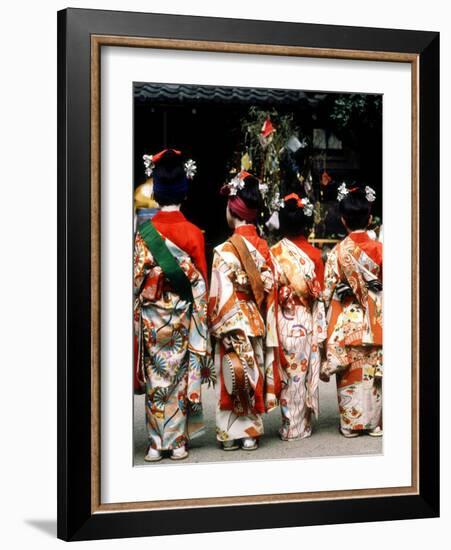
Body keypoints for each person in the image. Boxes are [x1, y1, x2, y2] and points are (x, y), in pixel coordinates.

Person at [134, 148, 213, 462]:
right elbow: (202, 283)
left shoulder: (144, 234)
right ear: (185, 190)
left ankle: (156, 443)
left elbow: (136, 280)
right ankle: (178, 441)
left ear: (155, 191)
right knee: (180, 377)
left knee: (156, 377)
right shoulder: (194, 233)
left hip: (153, 320)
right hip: (182, 318)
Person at [208, 171, 282, 451]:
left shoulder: (224, 250)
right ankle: (250, 434)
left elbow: (217, 294)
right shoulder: (266, 249)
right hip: (255, 320)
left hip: (230, 320)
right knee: (252, 374)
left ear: (232, 210)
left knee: (230, 375)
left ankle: (229, 436)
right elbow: (271, 287)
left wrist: (219, 325)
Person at [322, 184, 383, 438]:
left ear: (343, 220)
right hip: (375, 318)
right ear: (369, 218)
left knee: (349, 369)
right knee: (371, 370)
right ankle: (373, 423)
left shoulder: (338, 252)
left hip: (347, 319)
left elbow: (327, 292)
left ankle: (350, 423)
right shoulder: (380, 249)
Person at [271, 193, 326, 440]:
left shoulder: (274, 252)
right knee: (301, 373)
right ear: (306, 223)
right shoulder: (314, 255)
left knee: (287, 374)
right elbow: (321, 293)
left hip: (282, 319)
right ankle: (300, 423)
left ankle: (290, 423)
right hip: (305, 320)